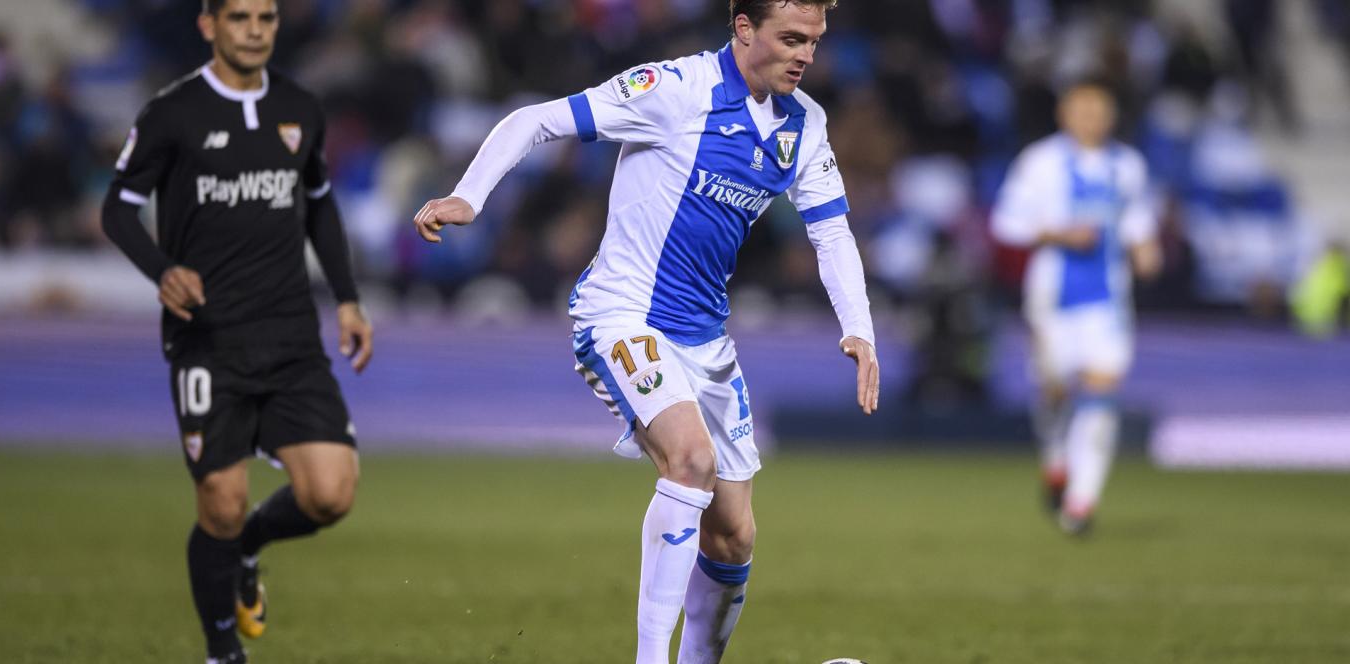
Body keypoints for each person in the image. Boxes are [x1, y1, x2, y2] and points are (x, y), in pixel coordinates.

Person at [414, 1, 877, 661]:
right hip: (622, 314)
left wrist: (859, 329)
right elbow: (536, 119)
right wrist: (470, 195)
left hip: (705, 340)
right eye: (791, 38)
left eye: (814, 41)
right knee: (691, 461)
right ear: (744, 28)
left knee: (733, 537)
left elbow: (831, 232)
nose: (805, 55)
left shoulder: (804, 123)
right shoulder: (674, 89)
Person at [100, 1, 372, 661]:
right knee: (220, 502)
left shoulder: (300, 108)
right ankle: (223, 651)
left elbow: (319, 204)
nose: (254, 30)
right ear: (209, 26)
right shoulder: (172, 113)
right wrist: (163, 271)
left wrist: (347, 299)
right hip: (208, 338)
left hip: (290, 335)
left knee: (331, 494)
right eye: (240, 17)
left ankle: (247, 548)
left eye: (266, 18)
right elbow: (118, 209)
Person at [991, 80, 1161, 536]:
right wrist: (1059, 234)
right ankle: (1056, 459)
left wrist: (1146, 249)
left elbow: (1137, 219)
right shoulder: (1040, 162)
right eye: (1082, 110)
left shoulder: (1127, 165)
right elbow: (1006, 223)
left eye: (1099, 110)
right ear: (1064, 115)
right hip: (1052, 299)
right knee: (1054, 393)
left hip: (1108, 301)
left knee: (1102, 391)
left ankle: (1081, 503)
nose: (1091, 119)